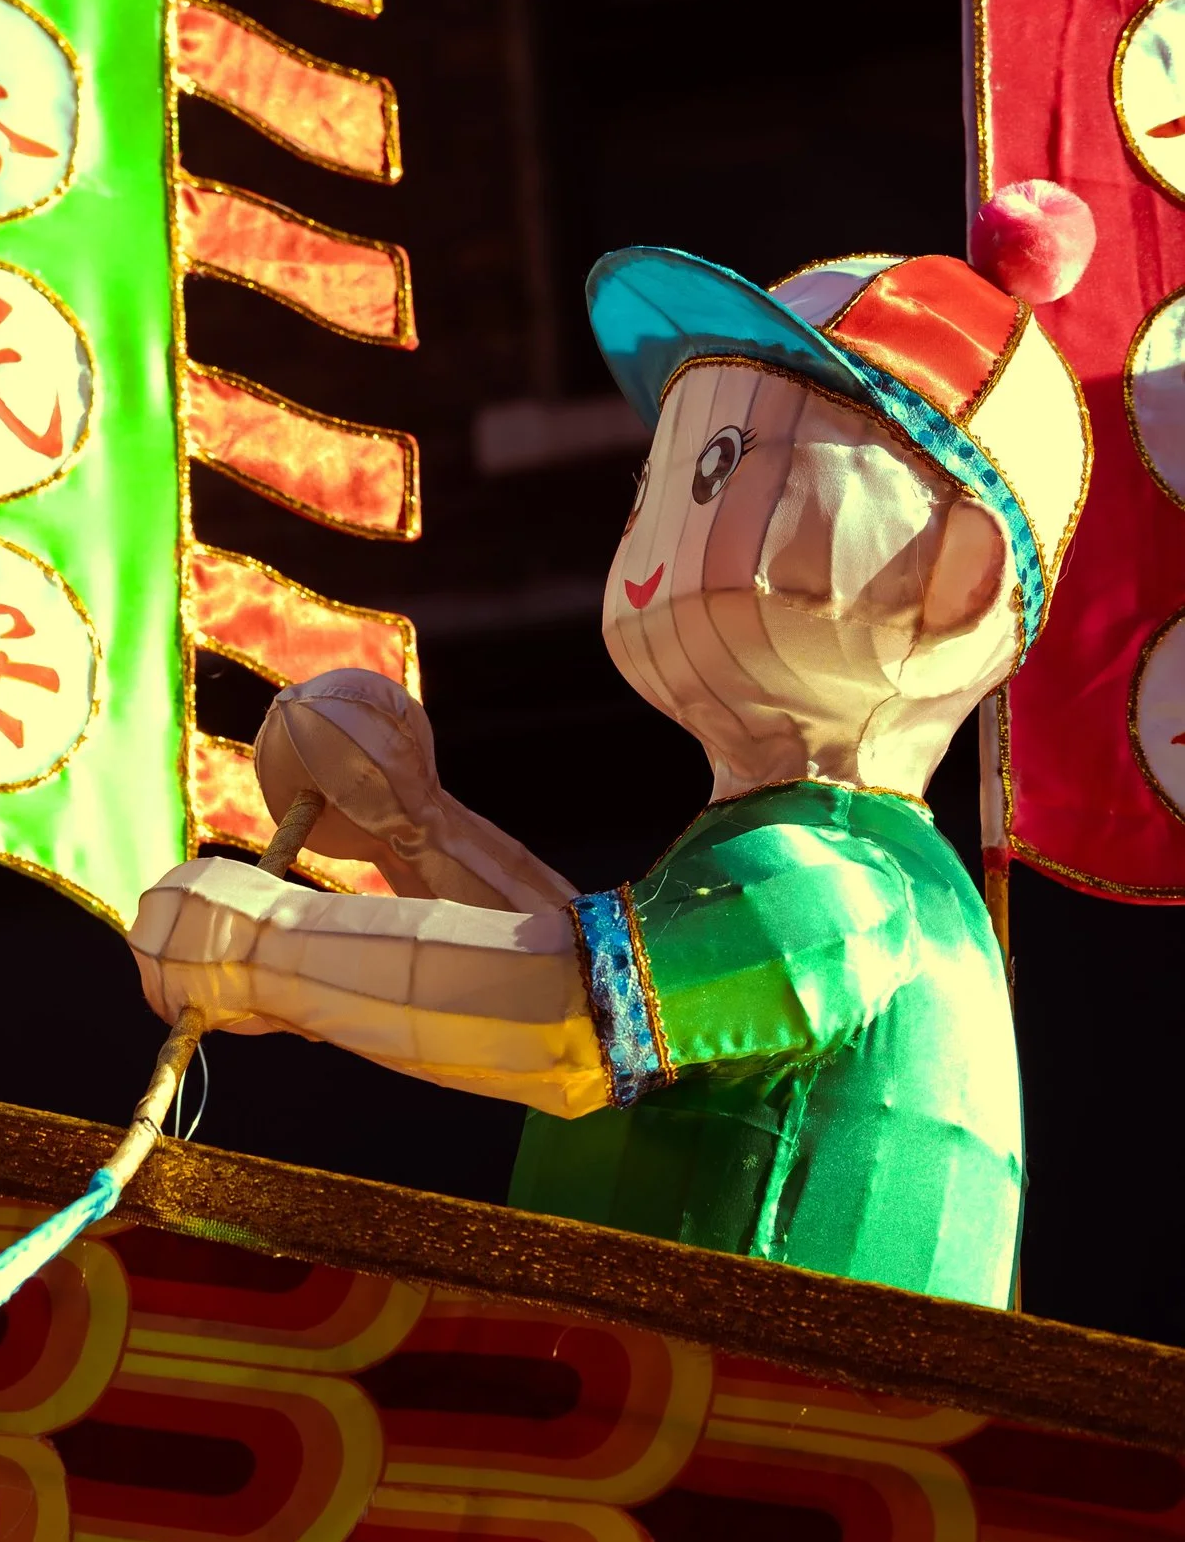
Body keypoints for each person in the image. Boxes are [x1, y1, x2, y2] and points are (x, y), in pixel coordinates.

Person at [127, 197, 1095, 1306]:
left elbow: (565, 1018)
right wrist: (417, 828)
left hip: (741, 1403)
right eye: (656, 481)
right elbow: (603, 978)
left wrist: (269, 945)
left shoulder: (843, 881)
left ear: (960, 574)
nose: (654, 538)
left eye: (720, 467)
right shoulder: (788, 854)